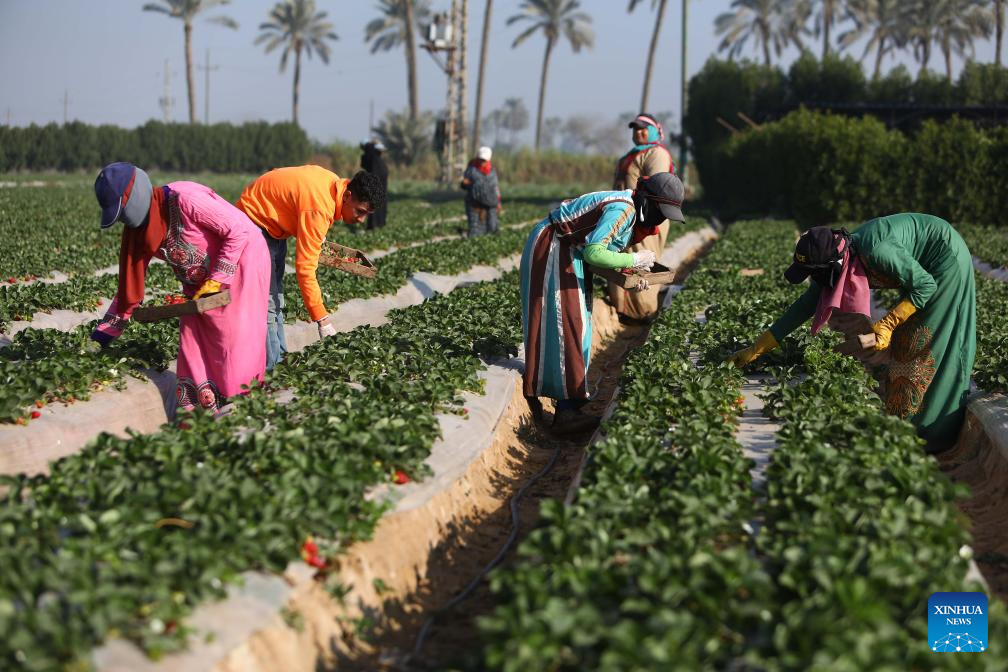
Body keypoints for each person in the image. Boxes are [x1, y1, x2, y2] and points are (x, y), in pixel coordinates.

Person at [729, 214, 976, 452]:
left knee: (922, 344)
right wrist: (756, 349)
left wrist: (889, 324)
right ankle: (903, 425)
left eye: (815, 273)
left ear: (830, 265)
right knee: (904, 346)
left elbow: (925, 285)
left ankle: (930, 435)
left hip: (944, 261)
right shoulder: (837, 258)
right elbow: (804, 306)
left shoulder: (876, 250)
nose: (815, 279)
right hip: (923, 271)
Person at [90, 162, 270, 414]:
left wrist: (217, 278)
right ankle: (199, 418)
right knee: (193, 343)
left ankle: (239, 410)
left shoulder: (186, 199)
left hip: (243, 263)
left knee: (233, 340)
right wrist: (100, 338)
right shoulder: (141, 233)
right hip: (199, 285)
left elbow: (239, 231)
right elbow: (128, 289)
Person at [521, 172, 687, 433]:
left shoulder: (631, 209)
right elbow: (595, 252)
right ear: (648, 201)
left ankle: (571, 405)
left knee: (581, 322)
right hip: (553, 247)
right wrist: (633, 261)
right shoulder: (623, 209)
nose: (662, 218)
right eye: (661, 211)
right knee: (569, 324)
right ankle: (564, 413)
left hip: (569, 250)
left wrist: (633, 276)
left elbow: (601, 255)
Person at [236, 166, 386, 370]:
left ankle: (280, 363)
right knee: (267, 305)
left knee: (276, 299)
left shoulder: (334, 184)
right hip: (254, 223)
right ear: (348, 195)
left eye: (366, 214)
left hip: (274, 226)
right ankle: (270, 373)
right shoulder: (319, 208)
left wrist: (314, 237)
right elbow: (305, 270)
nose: (361, 220)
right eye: (360, 211)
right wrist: (322, 320)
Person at [610, 113, 676, 322]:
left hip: (646, 215)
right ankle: (622, 309)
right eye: (635, 129)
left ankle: (643, 312)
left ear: (655, 130)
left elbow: (656, 186)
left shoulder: (656, 153)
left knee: (641, 259)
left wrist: (641, 215)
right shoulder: (631, 155)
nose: (638, 132)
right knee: (621, 259)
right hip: (626, 214)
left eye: (643, 128)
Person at [460, 146, 501, 237]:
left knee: (492, 228)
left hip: (490, 203)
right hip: (474, 203)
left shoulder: (492, 172)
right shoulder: (471, 170)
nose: (482, 162)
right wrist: (467, 184)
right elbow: (464, 184)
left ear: (488, 160)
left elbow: (496, 188)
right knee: (476, 230)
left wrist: (498, 202)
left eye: (484, 160)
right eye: (481, 159)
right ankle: (468, 234)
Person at [360, 141, 389, 230]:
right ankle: (374, 224)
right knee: (374, 202)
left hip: (380, 183)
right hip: (376, 183)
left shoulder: (377, 160)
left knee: (377, 202)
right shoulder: (372, 158)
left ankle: (377, 224)